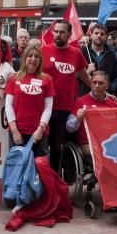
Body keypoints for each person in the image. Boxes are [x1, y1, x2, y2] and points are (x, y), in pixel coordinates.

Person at [42, 19, 91, 171]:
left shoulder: (76, 53)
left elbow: (84, 76)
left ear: (69, 35)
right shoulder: (43, 51)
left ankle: (56, 182)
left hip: (66, 108)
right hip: (44, 107)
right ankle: (42, 180)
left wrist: (101, 91)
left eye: (62, 32)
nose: (58, 34)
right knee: (43, 147)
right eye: (56, 31)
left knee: (57, 147)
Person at [5, 44, 54, 156]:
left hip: (39, 132)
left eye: (36, 56)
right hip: (18, 131)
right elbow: (8, 106)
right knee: (18, 168)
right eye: (30, 56)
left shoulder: (47, 79)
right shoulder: (14, 79)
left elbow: (48, 108)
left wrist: (41, 129)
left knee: (40, 168)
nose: (33, 59)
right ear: (24, 58)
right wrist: (14, 131)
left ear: (40, 60)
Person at [66, 71, 117, 154]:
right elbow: (69, 128)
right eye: (94, 82)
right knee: (104, 152)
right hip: (89, 143)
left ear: (107, 85)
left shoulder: (114, 104)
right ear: (91, 84)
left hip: (111, 141)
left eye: (101, 83)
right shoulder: (81, 102)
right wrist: (77, 119)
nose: (97, 86)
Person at [82, 23, 117, 95]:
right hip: (86, 94)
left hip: (105, 95)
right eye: (96, 33)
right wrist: (87, 72)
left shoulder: (112, 54)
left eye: (102, 34)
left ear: (106, 37)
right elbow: (75, 75)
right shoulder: (82, 52)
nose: (99, 36)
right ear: (91, 35)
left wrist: (111, 88)